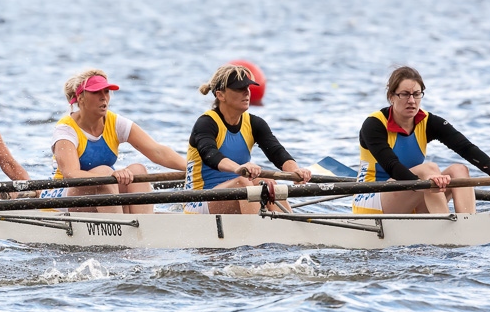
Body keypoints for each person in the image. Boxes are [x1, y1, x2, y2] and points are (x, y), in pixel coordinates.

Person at [353, 65, 490, 214]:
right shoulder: (374, 124)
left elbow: (465, 147)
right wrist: (426, 181)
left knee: (459, 170)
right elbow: (391, 165)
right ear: (391, 97)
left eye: (416, 94)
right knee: (429, 168)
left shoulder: (428, 121)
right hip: (371, 199)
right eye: (404, 94)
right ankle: (447, 226)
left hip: (413, 191)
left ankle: (467, 222)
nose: (411, 101)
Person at [51, 69, 186, 213]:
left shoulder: (115, 122)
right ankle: (121, 229)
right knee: (104, 173)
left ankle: (144, 226)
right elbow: (71, 174)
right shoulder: (66, 130)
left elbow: (158, 151)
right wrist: (108, 176)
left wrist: (192, 169)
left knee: (138, 171)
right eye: (96, 92)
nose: (103, 97)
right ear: (80, 98)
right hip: (63, 197)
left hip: (102, 191)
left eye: (106, 91)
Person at [184, 64, 312, 214]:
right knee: (242, 182)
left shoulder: (254, 123)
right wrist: (238, 168)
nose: (247, 92)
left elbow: (277, 152)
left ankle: (291, 231)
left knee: (268, 182)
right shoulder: (206, 124)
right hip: (198, 201)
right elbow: (210, 155)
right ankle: (258, 234)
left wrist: (296, 173)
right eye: (239, 88)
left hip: (235, 195)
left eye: (248, 87)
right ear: (220, 95)